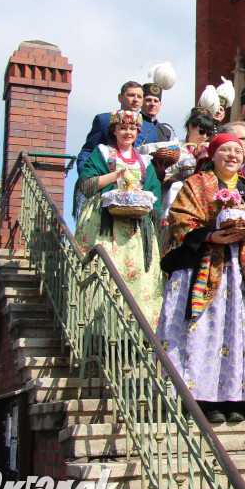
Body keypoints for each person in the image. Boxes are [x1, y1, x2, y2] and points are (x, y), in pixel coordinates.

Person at [157, 133, 245, 424]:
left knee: (243, 331)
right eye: (225, 150)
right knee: (204, 332)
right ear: (212, 155)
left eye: (238, 150)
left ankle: (238, 398)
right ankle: (202, 400)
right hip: (205, 265)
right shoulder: (196, 184)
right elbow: (180, 221)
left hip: (244, 269)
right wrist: (211, 235)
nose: (233, 155)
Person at [73, 110, 164, 329]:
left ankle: (138, 331)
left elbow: (154, 194)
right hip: (105, 224)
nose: (127, 132)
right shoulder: (102, 153)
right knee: (105, 270)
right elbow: (86, 185)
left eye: (132, 129)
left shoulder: (144, 161)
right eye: (123, 128)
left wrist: (143, 202)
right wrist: (117, 176)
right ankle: (97, 326)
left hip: (136, 228)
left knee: (139, 278)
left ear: (138, 132)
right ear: (113, 130)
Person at [76, 81, 151, 175]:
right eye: (131, 95)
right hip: (106, 181)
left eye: (139, 97)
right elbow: (88, 151)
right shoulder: (104, 120)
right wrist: (86, 177)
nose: (136, 99)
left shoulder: (149, 128)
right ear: (120, 97)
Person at [138, 81, 176, 145]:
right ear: (141, 102)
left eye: (156, 101)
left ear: (160, 105)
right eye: (148, 100)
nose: (152, 104)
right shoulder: (134, 124)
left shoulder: (165, 131)